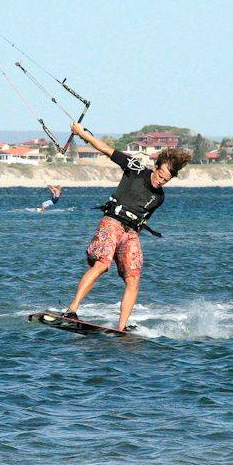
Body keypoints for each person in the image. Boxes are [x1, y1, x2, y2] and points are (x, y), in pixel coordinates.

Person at [64, 123, 191, 331]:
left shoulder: (159, 198)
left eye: (166, 180)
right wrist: (81, 133)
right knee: (102, 265)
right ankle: (71, 310)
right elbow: (105, 149)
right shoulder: (135, 168)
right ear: (156, 167)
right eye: (161, 176)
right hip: (112, 222)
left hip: (131, 232)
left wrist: (130, 239)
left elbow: (143, 220)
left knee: (133, 278)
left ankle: (121, 328)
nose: (161, 182)